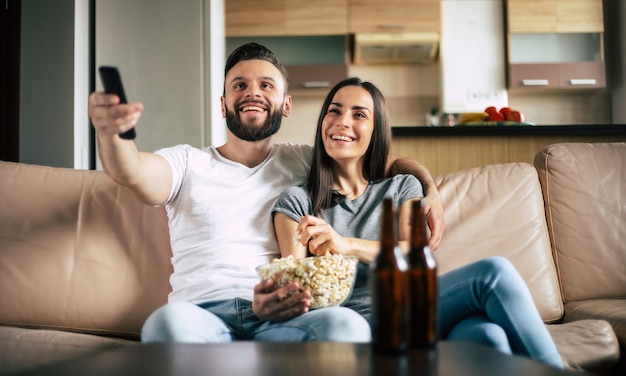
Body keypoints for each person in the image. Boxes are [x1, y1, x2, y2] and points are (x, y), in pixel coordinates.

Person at [87, 43, 444, 343]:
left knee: (346, 325)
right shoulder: (186, 162)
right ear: (223, 103)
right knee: (164, 325)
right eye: (239, 85)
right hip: (201, 314)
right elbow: (131, 170)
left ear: (286, 105)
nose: (252, 92)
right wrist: (109, 133)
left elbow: (384, 161)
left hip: (283, 319)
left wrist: (430, 191)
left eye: (266, 85)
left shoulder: (309, 160)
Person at [272, 77, 563, 369]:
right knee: (493, 272)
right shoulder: (297, 201)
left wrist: (345, 244)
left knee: (487, 335)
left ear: (376, 131)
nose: (342, 121)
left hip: (415, 311)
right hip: (355, 325)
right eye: (333, 111)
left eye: (359, 114)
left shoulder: (400, 187)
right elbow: (296, 291)